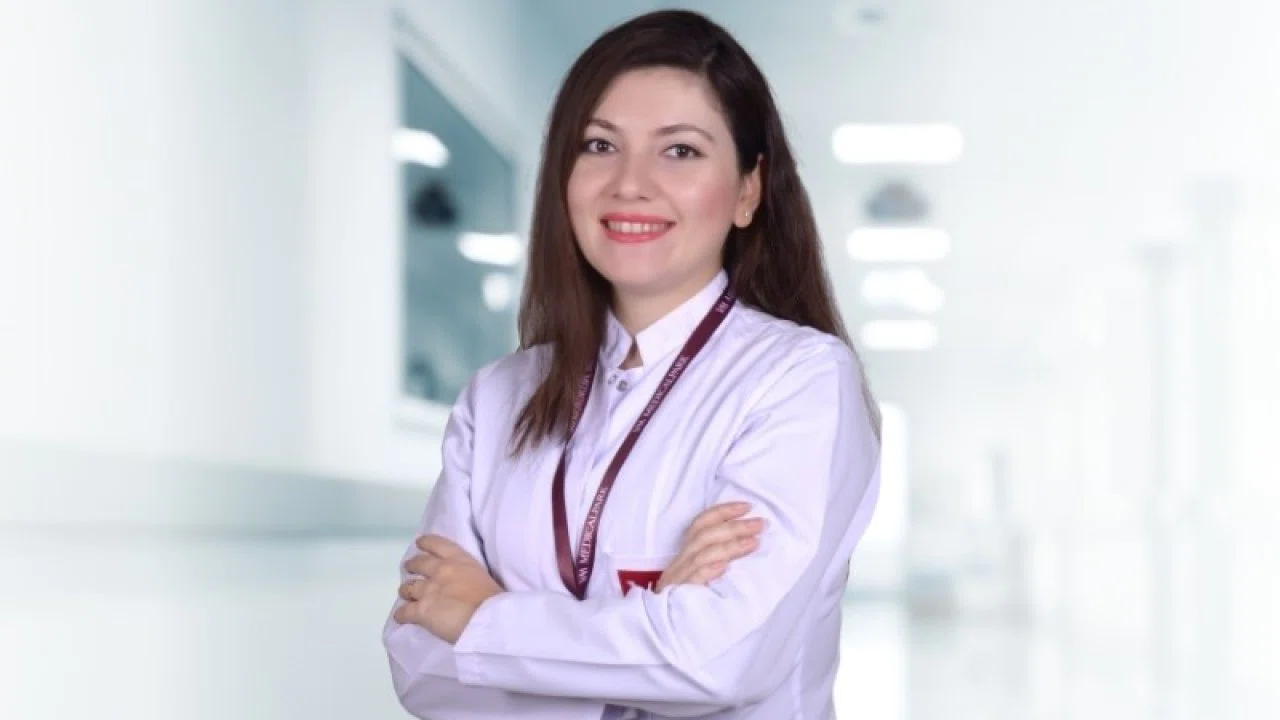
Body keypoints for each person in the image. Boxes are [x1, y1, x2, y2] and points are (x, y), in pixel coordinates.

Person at [382, 9, 881, 719]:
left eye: (680, 151)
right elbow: (421, 664)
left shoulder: (799, 380)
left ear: (748, 190)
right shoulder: (496, 398)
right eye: (599, 145)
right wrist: (648, 625)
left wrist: (486, 620)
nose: (630, 184)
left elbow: (721, 658)